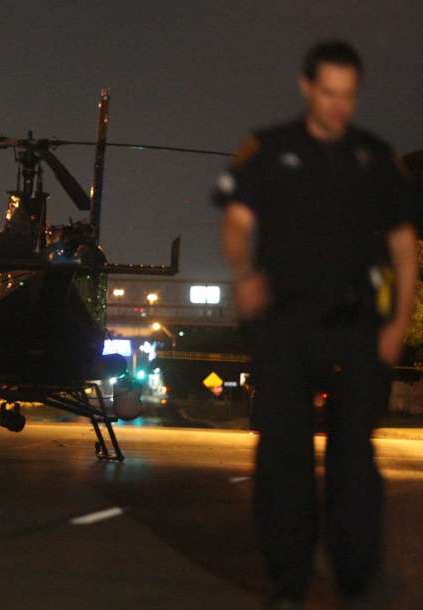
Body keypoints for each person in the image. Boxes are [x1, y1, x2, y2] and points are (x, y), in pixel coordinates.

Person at [214, 41, 418, 610]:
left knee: (354, 456)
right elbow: (235, 223)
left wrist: (398, 321)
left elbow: (404, 247)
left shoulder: (377, 158)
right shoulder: (269, 148)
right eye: (328, 93)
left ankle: (355, 577)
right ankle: (289, 579)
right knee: (284, 454)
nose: (338, 106)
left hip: (357, 323)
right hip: (284, 320)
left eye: (348, 95)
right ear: (307, 88)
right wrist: (244, 271)